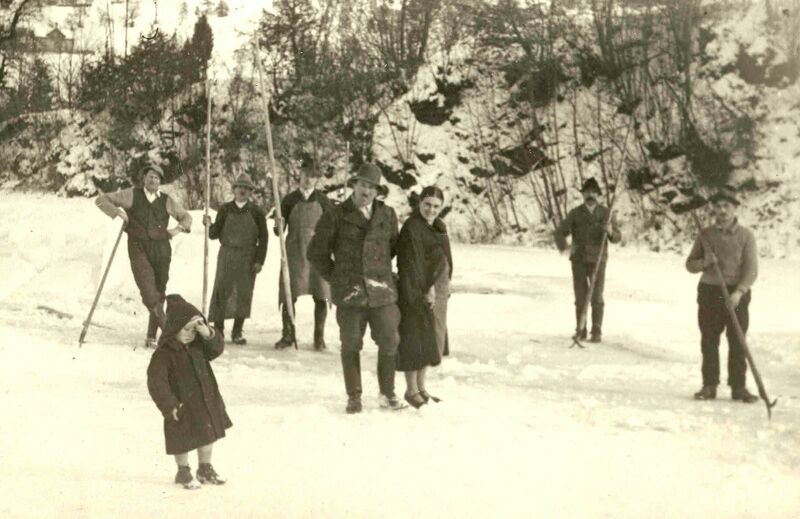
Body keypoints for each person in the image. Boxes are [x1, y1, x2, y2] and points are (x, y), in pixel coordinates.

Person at [307, 163, 406, 413]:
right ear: (354, 185)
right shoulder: (335, 215)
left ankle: (387, 393)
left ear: (377, 191)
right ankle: (354, 395)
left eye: (372, 188)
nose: (367, 191)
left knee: (390, 339)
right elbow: (316, 253)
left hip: (381, 291)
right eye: (363, 185)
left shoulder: (387, 215)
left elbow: (394, 248)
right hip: (350, 293)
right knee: (351, 343)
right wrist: (337, 277)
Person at [95, 164, 192, 348]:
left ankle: (151, 336)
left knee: (159, 291)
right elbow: (101, 200)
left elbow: (186, 217)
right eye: (150, 177)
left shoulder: (166, 200)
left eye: (156, 178)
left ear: (160, 181)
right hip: (138, 247)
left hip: (162, 249)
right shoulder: (132, 194)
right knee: (148, 291)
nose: (153, 180)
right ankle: (170, 334)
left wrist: (177, 229)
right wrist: (118, 212)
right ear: (144, 179)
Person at [146, 294, 232, 489]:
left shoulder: (198, 346)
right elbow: (156, 382)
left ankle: (205, 468)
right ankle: (183, 471)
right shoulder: (164, 354)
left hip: (204, 401)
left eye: (193, 330)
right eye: (185, 329)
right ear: (173, 327)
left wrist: (207, 332)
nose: (189, 334)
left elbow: (216, 348)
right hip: (180, 405)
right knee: (182, 438)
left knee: (208, 436)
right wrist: (169, 405)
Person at [685, 187, 759, 403]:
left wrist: (739, 292)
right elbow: (690, 265)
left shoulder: (746, 236)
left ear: (735, 208)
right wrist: (705, 262)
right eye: (718, 206)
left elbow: (751, 269)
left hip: (736, 293)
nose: (722, 210)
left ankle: (738, 387)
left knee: (737, 340)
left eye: (727, 206)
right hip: (710, 292)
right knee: (709, 340)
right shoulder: (705, 235)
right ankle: (709, 385)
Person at [396, 186, 453, 408]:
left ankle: (421, 388)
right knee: (414, 341)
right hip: (415, 292)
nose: (431, 210)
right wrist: (423, 291)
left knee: (428, 341)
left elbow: (442, 259)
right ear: (419, 203)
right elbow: (412, 264)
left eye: (436, 206)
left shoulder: (438, 227)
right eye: (427, 204)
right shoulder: (412, 227)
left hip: (435, 292)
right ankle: (411, 390)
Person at [273, 156, 334, 350]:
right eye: (306, 175)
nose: (308, 180)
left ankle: (319, 337)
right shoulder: (289, 200)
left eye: (313, 177)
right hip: (294, 252)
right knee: (289, 294)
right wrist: (279, 225)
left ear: (317, 180)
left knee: (321, 294)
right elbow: (277, 230)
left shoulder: (323, 200)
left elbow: (332, 226)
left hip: (317, 253)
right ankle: (288, 335)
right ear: (300, 175)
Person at [554, 178, 621, 342]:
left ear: (598, 195)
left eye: (593, 192)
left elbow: (617, 237)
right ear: (582, 194)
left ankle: (596, 330)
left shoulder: (606, 213)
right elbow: (559, 233)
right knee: (580, 296)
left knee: (597, 295)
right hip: (579, 260)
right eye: (587, 192)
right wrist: (566, 247)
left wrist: (610, 231)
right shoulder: (575, 213)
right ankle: (581, 329)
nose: (590, 195)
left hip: (598, 259)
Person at [204, 173, 268, 344]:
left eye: (246, 188)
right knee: (221, 291)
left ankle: (237, 332)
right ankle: (218, 331)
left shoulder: (256, 212)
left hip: (248, 257)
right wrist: (208, 225)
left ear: (250, 192)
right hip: (227, 255)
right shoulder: (225, 209)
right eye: (239, 187)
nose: (242, 191)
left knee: (243, 293)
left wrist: (259, 260)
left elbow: (264, 238)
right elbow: (214, 234)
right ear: (234, 189)